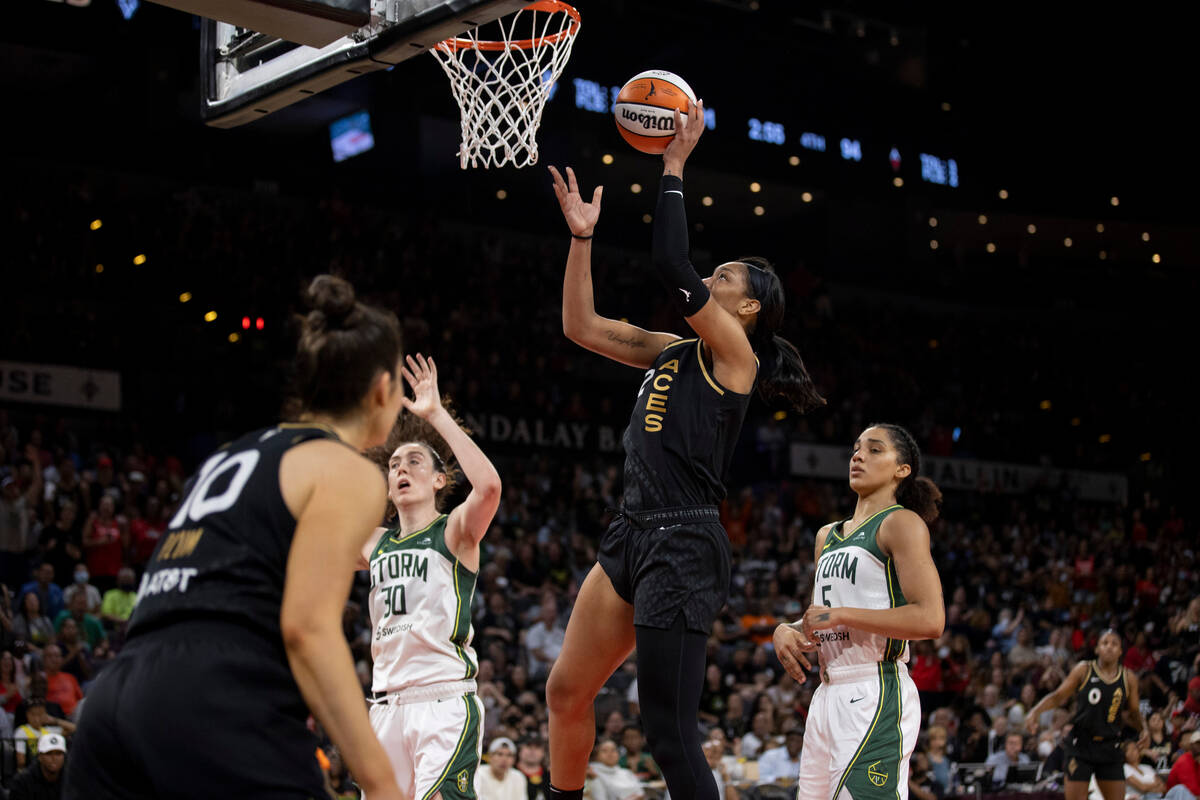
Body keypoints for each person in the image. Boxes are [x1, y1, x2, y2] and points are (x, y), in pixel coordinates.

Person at [545, 98, 824, 800]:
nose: (713, 279)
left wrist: (673, 164)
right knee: (564, 693)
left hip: (683, 542)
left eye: (725, 277)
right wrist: (581, 240)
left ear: (749, 309)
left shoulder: (734, 356)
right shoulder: (675, 349)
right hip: (630, 532)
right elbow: (580, 325)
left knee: (667, 732)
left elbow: (671, 260)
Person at [63, 275, 407, 800]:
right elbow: (306, 629)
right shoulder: (346, 469)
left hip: (116, 697)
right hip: (214, 695)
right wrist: (383, 783)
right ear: (382, 389)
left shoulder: (231, 454)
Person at [773, 424, 946, 800]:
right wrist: (787, 629)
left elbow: (930, 619)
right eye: (855, 449)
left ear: (902, 468)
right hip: (828, 692)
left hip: (876, 688)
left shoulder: (901, 523)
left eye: (874, 449)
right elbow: (823, 617)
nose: (858, 456)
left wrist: (841, 616)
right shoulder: (827, 536)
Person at [361, 352, 502, 800]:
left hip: (440, 701)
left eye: (415, 462)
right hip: (383, 707)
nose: (401, 468)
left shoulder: (454, 533)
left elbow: (490, 488)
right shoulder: (374, 542)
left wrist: (436, 413)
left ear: (440, 481)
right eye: (394, 465)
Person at [1025, 629, 1148, 800]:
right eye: (1105, 643)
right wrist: (1035, 711)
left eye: (1114, 644)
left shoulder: (1128, 678)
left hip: (1110, 746)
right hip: (1081, 745)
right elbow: (1059, 696)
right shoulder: (1083, 669)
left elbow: (1134, 712)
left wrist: (1145, 730)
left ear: (1120, 651)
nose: (1109, 647)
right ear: (1097, 648)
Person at [8, 731, 67, 800]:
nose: (54, 758)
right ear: (39, 757)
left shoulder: (71, 779)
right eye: (48, 753)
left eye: (58, 754)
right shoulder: (23, 782)